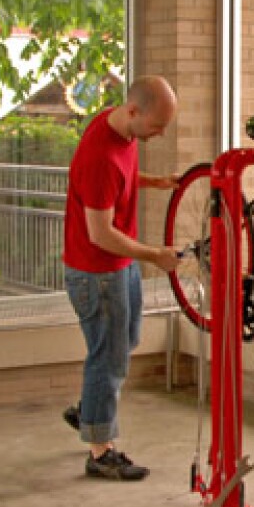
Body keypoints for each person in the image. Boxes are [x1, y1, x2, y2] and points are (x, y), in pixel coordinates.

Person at [61, 75, 180, 481]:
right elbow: (101, 234)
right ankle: (100, 451)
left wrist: (155, 181)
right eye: (157, 126)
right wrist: (155, 256)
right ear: (133, 111)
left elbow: (122, 181)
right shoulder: (100, 157)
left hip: (117, 268)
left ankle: (90, 411)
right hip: (96, 274)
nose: (160, 134)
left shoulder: (119, 130)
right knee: (108, 357)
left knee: (125, 341)